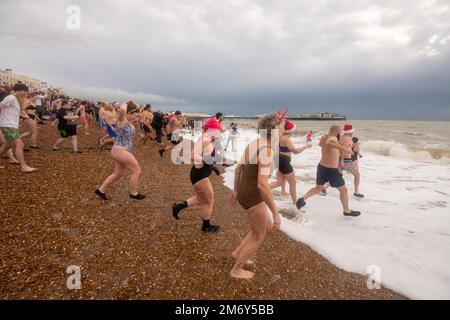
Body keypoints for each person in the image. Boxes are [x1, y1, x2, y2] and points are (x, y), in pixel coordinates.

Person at [229, 113, 281, 280]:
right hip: (253, 195)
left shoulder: (254, 143)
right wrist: (275, 212)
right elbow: (262, 185)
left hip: (244, 191)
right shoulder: (266, 151)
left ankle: (238, 253)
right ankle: (236, 270)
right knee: (260, 234)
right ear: (273, 131)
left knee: (262, 227)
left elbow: (238, 169)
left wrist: (236, 191)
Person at [296, 125, 361, 217]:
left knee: (318, 188)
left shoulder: (324, 136)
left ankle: (302, 199)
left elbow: (321, 144)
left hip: (321, 167)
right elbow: (329, 142)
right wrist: (345, 148)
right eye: (340, 132)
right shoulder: (333, 139)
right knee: (343, 190)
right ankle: (346, 211)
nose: (341, 133)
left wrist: (341, 158)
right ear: (338, 131)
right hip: (332, 170)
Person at [171, 132, 222, 232]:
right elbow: (192, 155)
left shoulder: (208, 141)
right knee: (208, 202)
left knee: (200, 198)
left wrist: (212, 167)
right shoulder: (204, 141)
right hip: (200, 176)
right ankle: (206, 226)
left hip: (200, 174)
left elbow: (206, 157)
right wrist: (208, 161)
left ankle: (177, 207)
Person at [95, 101, 145, 201]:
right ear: (129, 113)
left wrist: (135, 106)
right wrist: (126, 103)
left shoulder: (129, 123)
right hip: (121, 150)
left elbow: (137, 116)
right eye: (134, 116)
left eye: (137, 117)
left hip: (119, 151)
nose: (136, 119)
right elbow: (122, 110)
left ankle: (101, 190)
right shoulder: (122, 120)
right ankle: (133, 193)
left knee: (118, 174)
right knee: (137, 171)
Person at [270, 120, 312, 205]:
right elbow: (295, 151)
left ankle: (261, 189)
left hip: (277, 159)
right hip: (283, 161)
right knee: (293, 183)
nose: (295, 131)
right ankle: (295, 203)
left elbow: (279, 128)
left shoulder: (280, 135)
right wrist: (306, 146)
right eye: (294, 129)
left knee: (279, 182)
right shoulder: (286, 139)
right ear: (292, 130)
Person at [0, 83, 37, 172]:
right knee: (19, 144)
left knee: (7, 145)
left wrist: (25, 115)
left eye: (26, 91)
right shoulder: (11, 98)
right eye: (24, 91)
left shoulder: (16, 99)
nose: (25, 93)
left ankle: (23, 166)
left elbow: (16, 111)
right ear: (18, 90)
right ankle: (24, 166)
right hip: (8, 125)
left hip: (11, 125)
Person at [338, 124, 364, 198]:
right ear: (350, 132)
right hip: (345, 160)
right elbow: (344, 149)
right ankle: (356, 192)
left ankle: (324, 188)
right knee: (357, 175)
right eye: (352, 131)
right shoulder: (349, 139)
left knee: (337, 176)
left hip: (338, 159)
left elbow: (340, 147)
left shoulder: (341, 137)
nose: (352, 133)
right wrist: (351, 152)